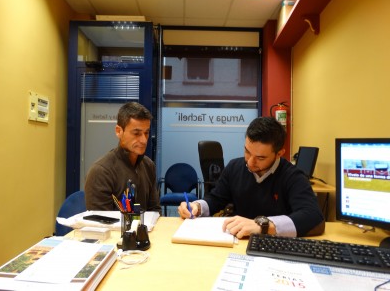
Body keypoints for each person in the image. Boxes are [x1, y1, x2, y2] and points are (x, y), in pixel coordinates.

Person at [178, 117, 324, 238]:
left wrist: (263, 225)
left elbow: (312, 216)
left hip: (273, 245)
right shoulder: (235, 167)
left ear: (279, 153)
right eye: (247, 151)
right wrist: (197, 206)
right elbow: (216, 198)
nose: (250, 162)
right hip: (237, 241)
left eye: (260, 158)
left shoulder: (292, 176)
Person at [85, 102, 161, 214]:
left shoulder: (148, 165)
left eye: (146, 133)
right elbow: (100, 224)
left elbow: (155, 212)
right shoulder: (101, 171)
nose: (144, 140)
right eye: (136, 133)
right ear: (119, 131)